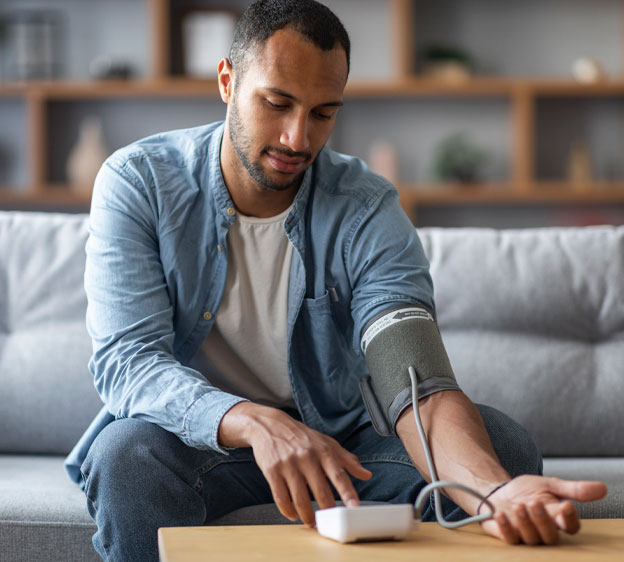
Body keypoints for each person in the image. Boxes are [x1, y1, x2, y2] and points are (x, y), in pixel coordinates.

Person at [66, 1, 607, 560]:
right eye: (277, 104)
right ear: (227, 81)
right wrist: (257, 423)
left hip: (340, 446)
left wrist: (494, 492)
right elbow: (128, 360)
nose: (298, 138)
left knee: (505, 449)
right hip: (201, 442)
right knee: (124, 456)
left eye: (323, 113)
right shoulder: (139, 184)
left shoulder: (366, 208)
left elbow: (412, 375)